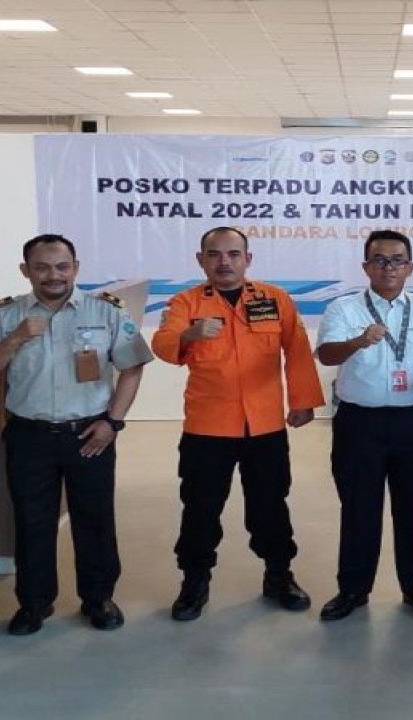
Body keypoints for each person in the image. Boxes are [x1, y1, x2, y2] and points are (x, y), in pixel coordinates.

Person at [0, 234, 152, 635]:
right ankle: (34, 603)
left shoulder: (106, 311)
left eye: (62, 266)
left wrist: (113, 423)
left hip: (90, 432)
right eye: (42, 267)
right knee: (32, 521)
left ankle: (98, 599)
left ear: (76, 268)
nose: (54, 275)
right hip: (29, 436)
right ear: (26, 270)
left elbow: (133, 367)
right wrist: (14, 339)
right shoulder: (4, 316)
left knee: (95, 519)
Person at [151, 226, 323, 621]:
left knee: (270, 504)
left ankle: (279, 574)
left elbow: (297, 351)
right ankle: (194, 581)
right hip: (207, 427)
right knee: (200, 507)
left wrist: (303, 401)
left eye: (233, 254)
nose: (224, 262)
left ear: (248, 259)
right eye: (214, 254)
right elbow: (163, 344)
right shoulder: (185, 302)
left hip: (264, 425)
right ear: (201, 260)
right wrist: (189, 334)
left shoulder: (275, 299)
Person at [315, 229, 413, 622]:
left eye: (397, 260)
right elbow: (326, 355)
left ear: (410, 267)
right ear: (366, 267)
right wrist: (358, 342)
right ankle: (352, 590)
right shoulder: (344, 309)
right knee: (358, 508)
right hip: (359, 422)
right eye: (379, 260)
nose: (389, 267)